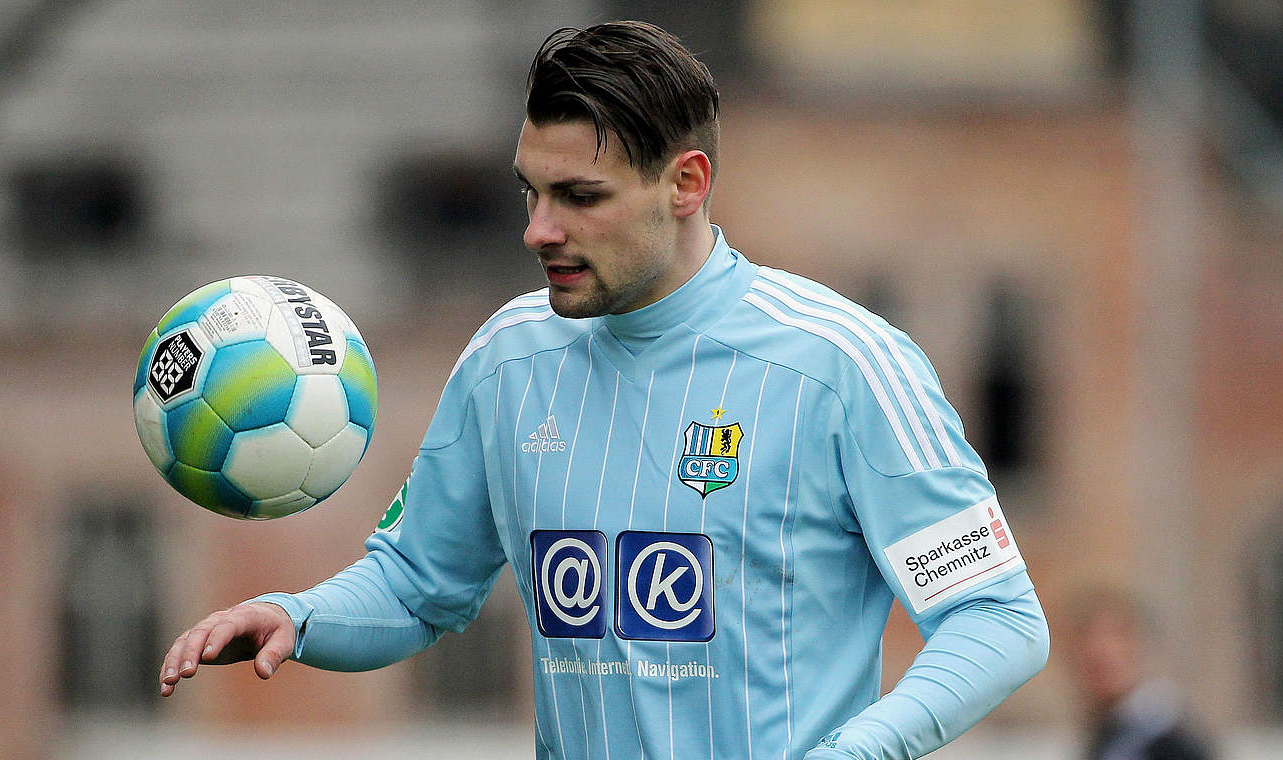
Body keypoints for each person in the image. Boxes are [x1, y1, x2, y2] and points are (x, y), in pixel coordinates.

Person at [159, 21, 1049, 759]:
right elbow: (418, 584)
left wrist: (856, 752)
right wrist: (296, 617)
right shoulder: (509, 361)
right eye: (531, 192)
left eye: (580, 196)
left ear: (686, 185)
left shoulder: (842, 363)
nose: (537, 230)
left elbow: (998, 617)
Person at [1071, 588, 1214, 760]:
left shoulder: (1166, 739)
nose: (1100, 649)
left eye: (1115, 635)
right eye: (1087, 638)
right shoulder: (1109, 733)